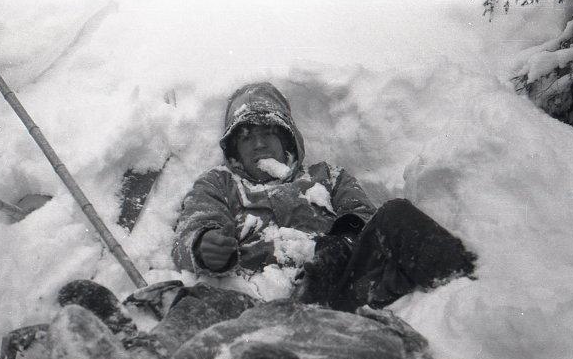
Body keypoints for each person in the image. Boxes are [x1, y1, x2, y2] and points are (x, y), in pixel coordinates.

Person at [172, 82, 476, 311]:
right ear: (235, 150)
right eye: (246, 137)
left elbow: (365, 216)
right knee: (190, 308)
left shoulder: (327, 176)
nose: (258, 144)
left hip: (340, 286)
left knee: (398, 215)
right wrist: (203, 245)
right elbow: (195, 223)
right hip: (258, 300)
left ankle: (470, 306)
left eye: (267, 133)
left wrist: (341, 244)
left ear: (286, 137)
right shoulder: (220, 182)